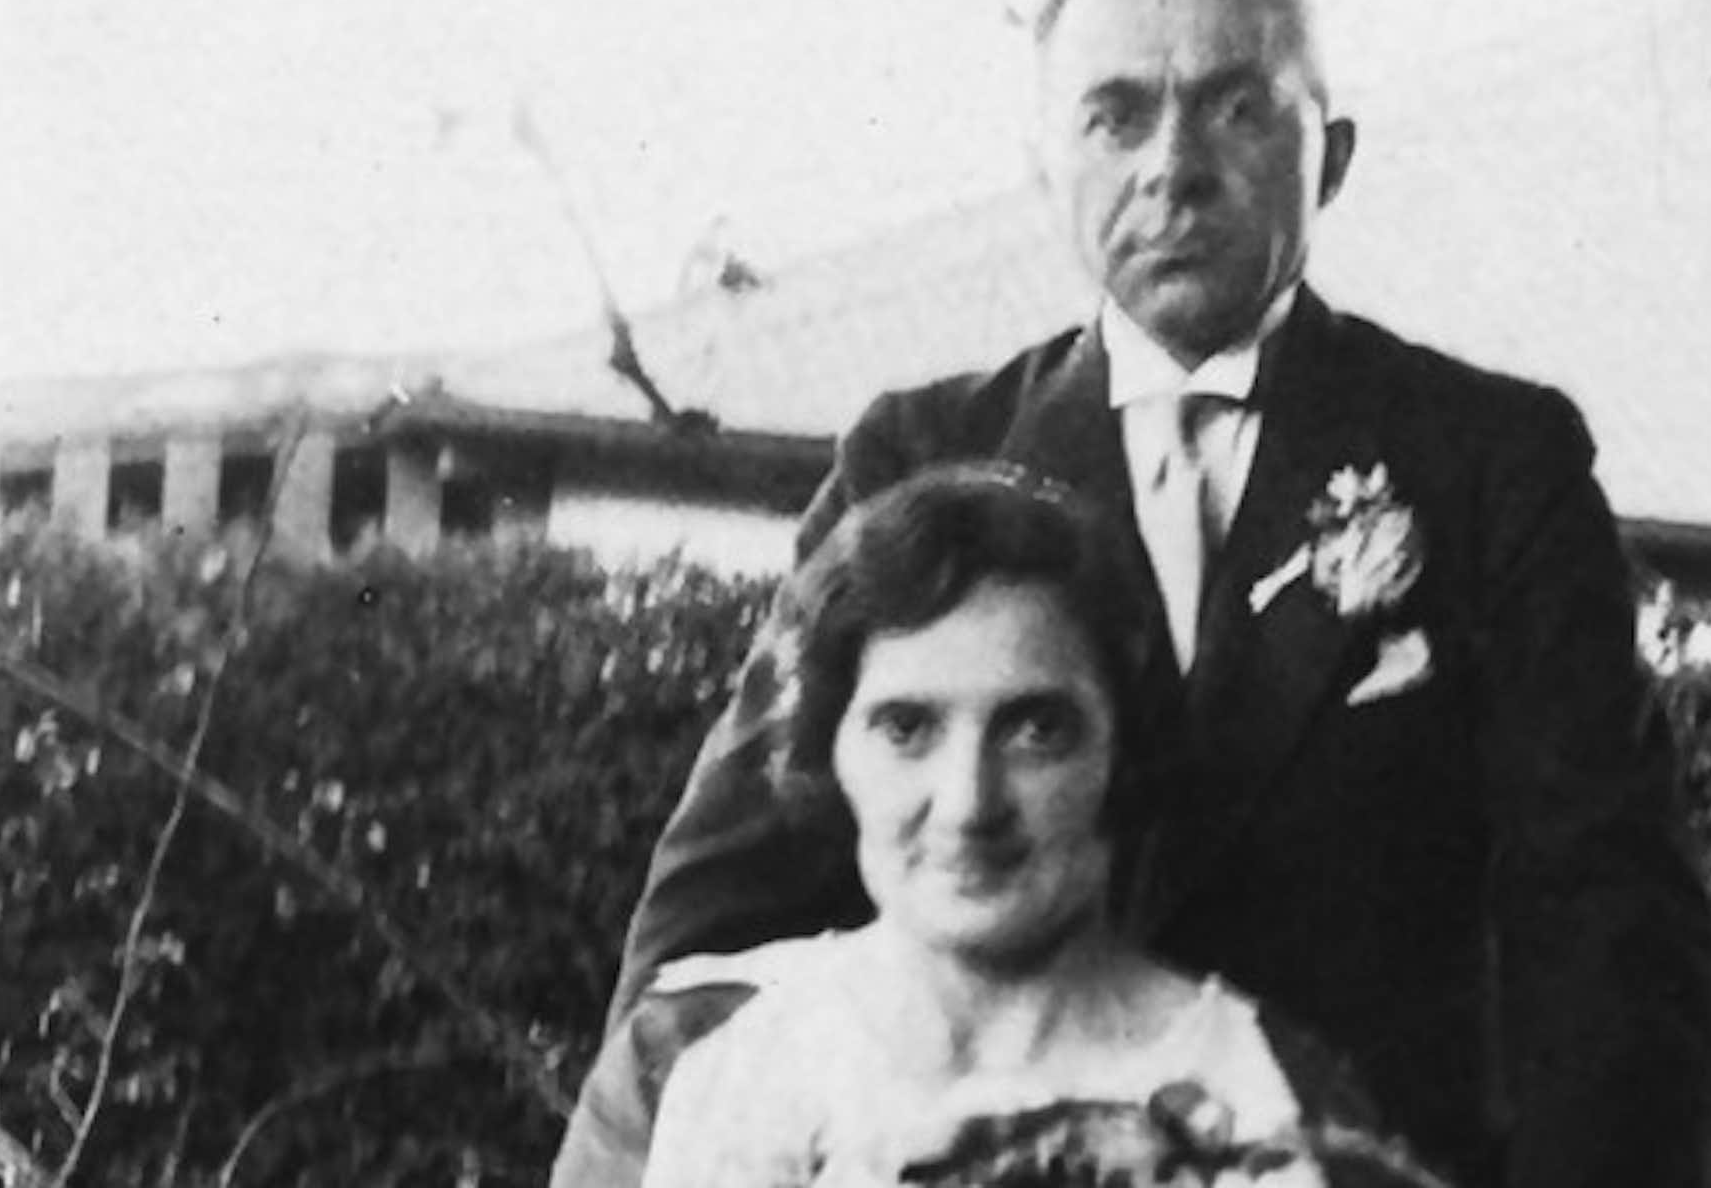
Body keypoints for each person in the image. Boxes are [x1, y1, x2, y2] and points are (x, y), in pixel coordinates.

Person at [567, 0, 1711, 1186]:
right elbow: (726, 900)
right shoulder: (925, 453)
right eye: (1114, 117)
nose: (1173, 169)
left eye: (1235, 110)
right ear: (1043, 166)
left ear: (1330, 155)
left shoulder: (1485, 462)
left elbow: (1610, 926)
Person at [557, 466, 1408, 1186]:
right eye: (906, 728)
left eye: (1036, 730)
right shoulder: (708, 1062)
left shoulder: (1268, 1085)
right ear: (831, 747)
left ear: (1122, 751)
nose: (969, 803)